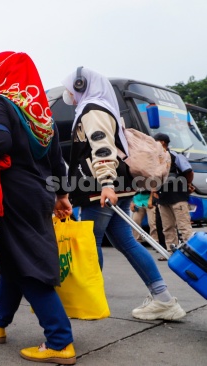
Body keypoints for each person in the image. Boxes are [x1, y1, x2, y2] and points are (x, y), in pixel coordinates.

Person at [0, 51, 76, 364]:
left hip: (14, 194)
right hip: (40, 194)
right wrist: (62, 197)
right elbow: (58, 163)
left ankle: (59, 340)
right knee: (16, 258)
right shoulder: (42, 115)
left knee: (28, 263)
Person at [61, 67, 185, 321]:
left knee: (91, 241)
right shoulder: (106, 108)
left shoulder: (92, 110)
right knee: (124, 241)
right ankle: (163, 299)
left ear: (81, 85)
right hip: (119, 185)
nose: (68, 93)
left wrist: (106, 182)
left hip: (101, 188)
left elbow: (101, 146)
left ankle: (90, 301)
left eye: (71, 87)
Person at [154, 133, 195, 259]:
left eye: (155, 142)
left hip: (178, 196)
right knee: (167, 227)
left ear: (162, 142)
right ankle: (171, 252)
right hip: (163, 197)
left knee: (183, 226)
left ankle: (192, 253)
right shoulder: (154, 158)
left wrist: (187, 184)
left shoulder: (175, 155)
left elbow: (189, 171)